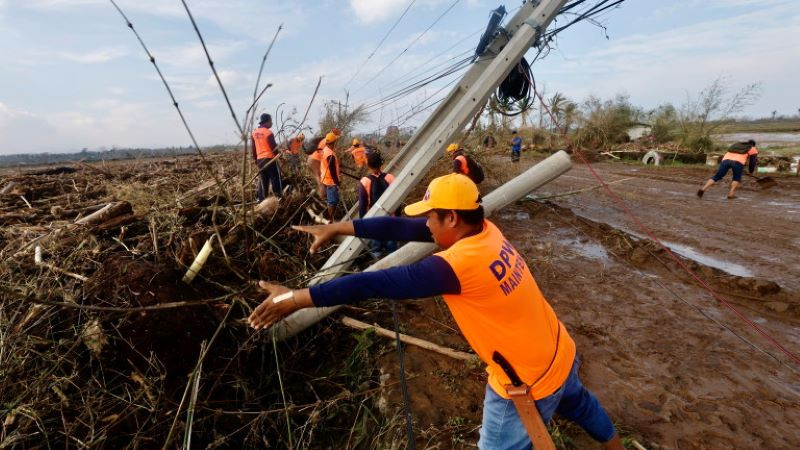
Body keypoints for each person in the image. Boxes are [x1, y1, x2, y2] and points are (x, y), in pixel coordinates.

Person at [248, 173, 624, 450]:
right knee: (580, 404)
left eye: (431, 216)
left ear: (451, 219)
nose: (424, 223)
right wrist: (337, 228)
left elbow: (369, 283)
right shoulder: (485, 230)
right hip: (558, 349)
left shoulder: (457, 265)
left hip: (525, 382)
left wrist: (292, 298)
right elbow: (398, 225)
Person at [358, 151, 397, 259]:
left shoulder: (364, 181)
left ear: (368, 165)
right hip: (390, 219)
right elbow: (397, 199)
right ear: (381, 164)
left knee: (376, 249)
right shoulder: (390, 178)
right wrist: (398, 217)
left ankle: (379, 265)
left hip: (373, 220)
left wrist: (363, 222)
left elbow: (362, 205)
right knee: (392, 249)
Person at [251, 113, 282, 201]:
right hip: (270, 159)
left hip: (260, 160)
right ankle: (278, 198)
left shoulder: (254, 133)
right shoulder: (268, 133)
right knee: (275, 179)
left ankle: (261, 200)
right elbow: (274, 148)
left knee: (263, 180)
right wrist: (279, 155)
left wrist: (256, 160)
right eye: (271, 121)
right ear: (267, 121)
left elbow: (253, 149)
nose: (271, 123)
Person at [319, 132, 342, 221]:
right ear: (333, 142)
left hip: (325, 179)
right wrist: (337, 182)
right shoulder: (330, 155)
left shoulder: (325, 150)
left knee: (332, 200)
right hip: (330, 181)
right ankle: (330, 219)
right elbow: (332, 171)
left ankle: (328, 216)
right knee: (332, 201)